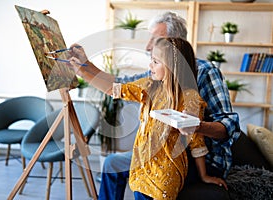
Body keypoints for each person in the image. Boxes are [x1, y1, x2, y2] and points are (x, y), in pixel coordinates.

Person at [68, 12, 240, 200]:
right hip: (156, 153)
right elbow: (117, 86)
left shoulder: (205, 73)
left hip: (193, 158)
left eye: (156, 40)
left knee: (147, 177)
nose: (148, 46)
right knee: (112, 163)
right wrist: (84, 67)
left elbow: (228, 125)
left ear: (176, 46)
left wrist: (197, 126)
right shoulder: (154, 79)